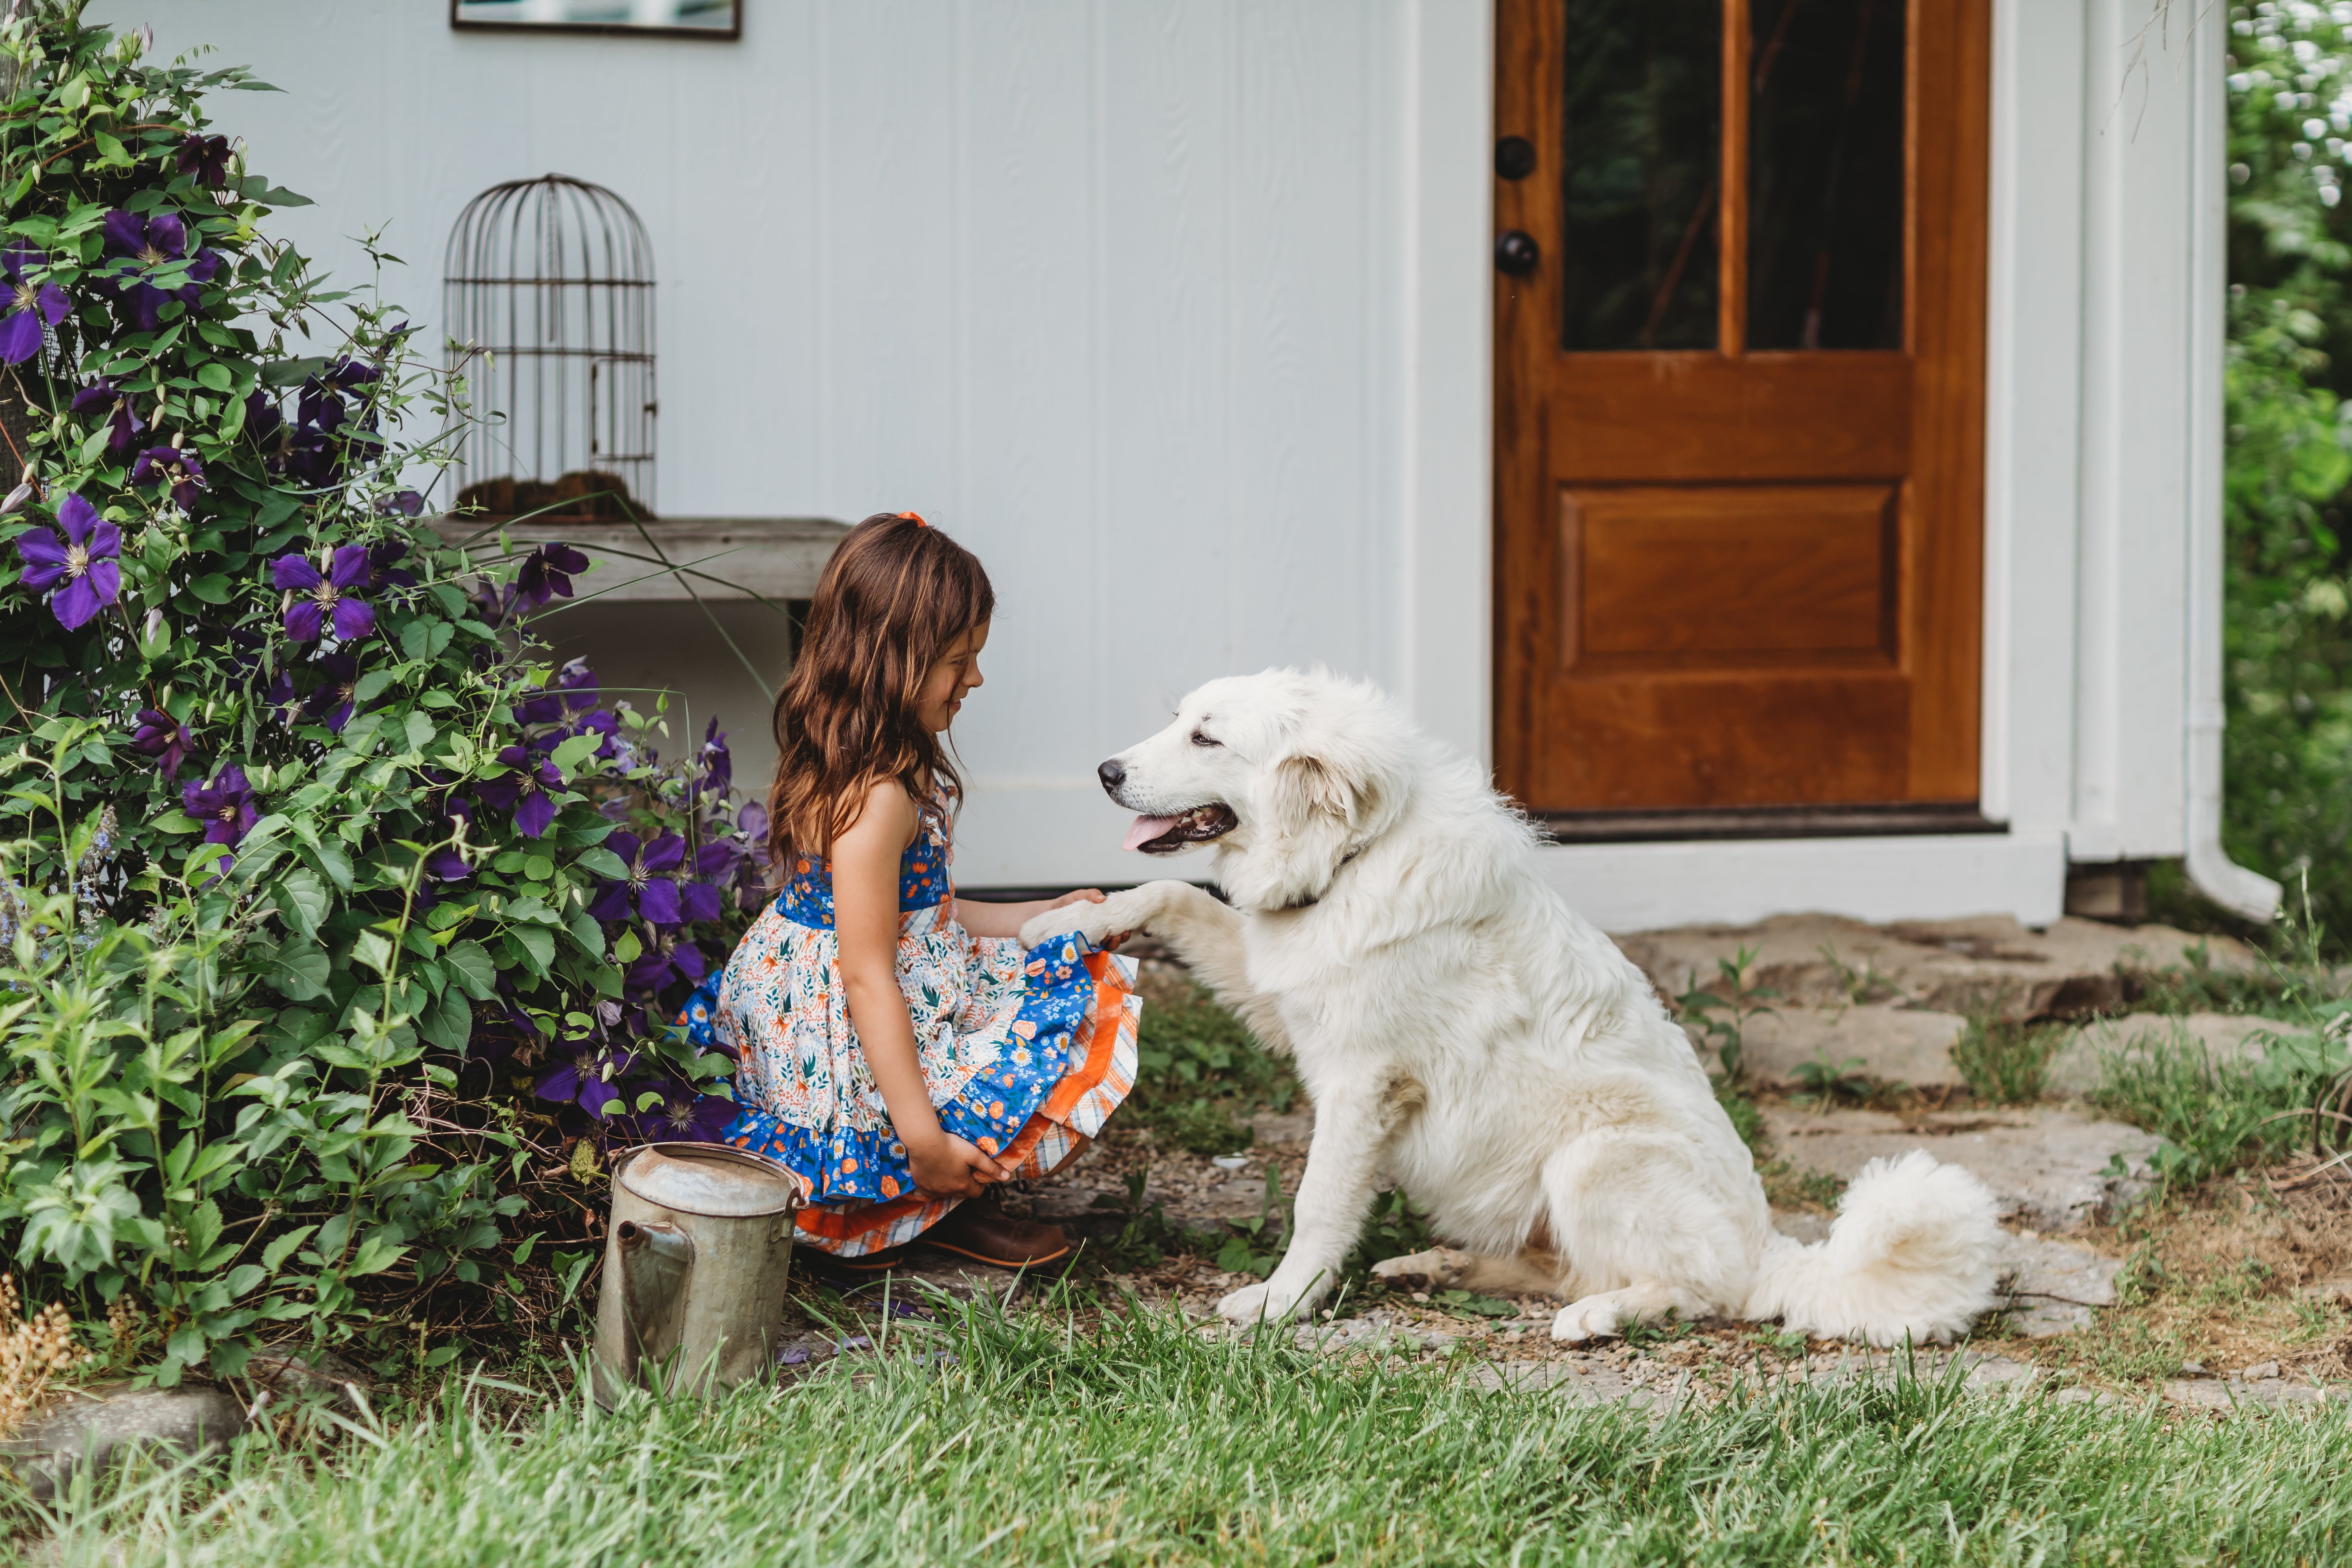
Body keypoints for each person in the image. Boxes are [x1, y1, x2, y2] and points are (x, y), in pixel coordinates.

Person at [677, 511, 1138, 1269]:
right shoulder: (878, 797)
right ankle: (926, 1187)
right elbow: (866, 974)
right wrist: (922, 1140)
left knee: (1056, 962)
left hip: (880, 973)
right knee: (950, 1069)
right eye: (959, 661)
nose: (976, 679)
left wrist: (1039, 914)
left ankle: (928, 1197)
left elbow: (922, 914)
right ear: (890, 661)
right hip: (846, 1008)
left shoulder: (888, 759)